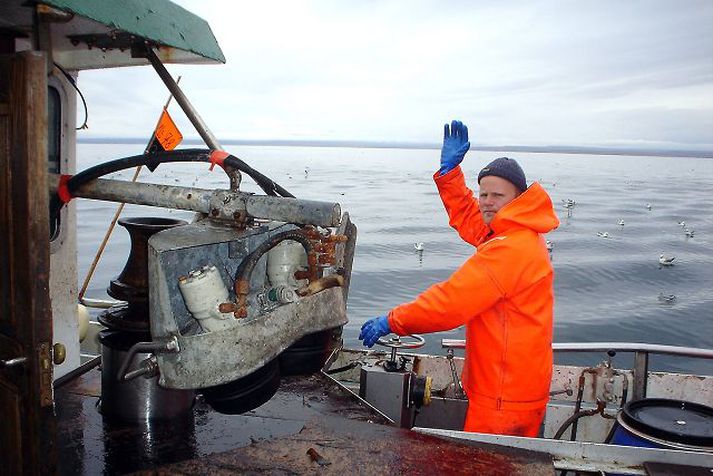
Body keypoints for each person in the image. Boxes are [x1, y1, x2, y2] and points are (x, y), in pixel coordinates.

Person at [359, 120, 559, 437]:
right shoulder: (518, 233)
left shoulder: (509, 250)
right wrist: (450, 174)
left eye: (497, 195)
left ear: (518, 199)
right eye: (484, 194)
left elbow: (450, 304)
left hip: (502, 396)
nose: (487, 201)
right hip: (517, 386)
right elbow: (470, 217)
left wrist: (393, 320)